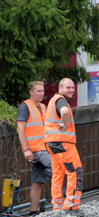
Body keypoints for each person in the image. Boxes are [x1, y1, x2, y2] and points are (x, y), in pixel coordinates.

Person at [44, 78, 83, 215]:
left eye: (72, 87)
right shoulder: (61, 100)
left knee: (58, 174)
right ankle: (71, 206)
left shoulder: (53, 100)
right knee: (75, 172)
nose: (71, 90)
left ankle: (58, 207)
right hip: (63, 143)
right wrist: (64, 125)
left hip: (51, 143)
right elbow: (65, 112)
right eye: (68, 88)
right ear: (60, 88)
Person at [16, 81, 52, 215]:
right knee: (59, 172)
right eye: (38, 91)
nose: (42, 94)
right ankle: (64, 205)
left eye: (42, 91)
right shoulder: (25, 106)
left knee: (37, 182)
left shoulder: (42, 107)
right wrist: (26, 150)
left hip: (43, 148)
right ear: (31, 92)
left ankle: (33, 212)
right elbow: (20, 128)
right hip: (36, 150)